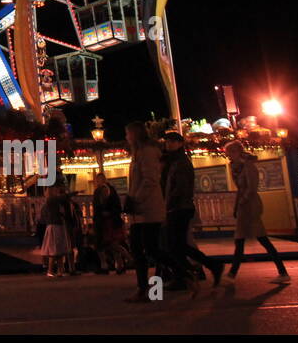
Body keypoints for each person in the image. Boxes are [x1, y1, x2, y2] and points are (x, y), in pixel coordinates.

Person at [122, 121, 181, 303]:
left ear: (135, 134)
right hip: (140, 211)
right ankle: (145, 287)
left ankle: (182, 272)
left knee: (148, 249)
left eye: (128, 133)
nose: (126, 137)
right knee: (141, 249)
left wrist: (135, 199)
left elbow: (150, 180)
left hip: (147, 209)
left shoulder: (146, 152)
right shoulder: (138, 152)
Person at [160, 131, 223, 290]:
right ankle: (204, 268)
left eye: (172, 142)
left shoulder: (180, 162)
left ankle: (188, 274)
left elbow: (180, 188)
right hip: (178, 207)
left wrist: (169, 205)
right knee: (178, 245)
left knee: (174, 245)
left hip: (179, 208)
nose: (169, 145)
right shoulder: (174, 161)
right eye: (167, 142)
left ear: (180, 144)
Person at [223, 141, 289, 285]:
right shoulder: (235, 167)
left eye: (230, 153)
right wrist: (237, 206)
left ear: (237, 152)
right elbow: (240, 189)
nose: (228, 156)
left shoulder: (249, 167)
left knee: (256, 239)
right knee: (246, 239)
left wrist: (242, 201)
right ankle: (232, 274)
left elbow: (252, 187)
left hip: (250, 206)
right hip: (243, 206)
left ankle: (232, 274)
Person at [91, 174, 127, 274]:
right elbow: (117, 206)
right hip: (111, 220)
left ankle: (106, 265)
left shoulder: (99, 191)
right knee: (112, 244)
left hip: (104, 222)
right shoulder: (111, 191)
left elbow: (97, 208)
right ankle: (119, 265)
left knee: (105, 244)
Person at [38, 183, 74, 277]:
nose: (57, 191)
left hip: (56, 225)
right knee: (55, 249)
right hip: (55, 226)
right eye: (55, 190)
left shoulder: (52, 202)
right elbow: (63, 198)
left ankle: (60, 271)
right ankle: (51, 270)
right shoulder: (52, 200)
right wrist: (74, 193)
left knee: (58, 249)